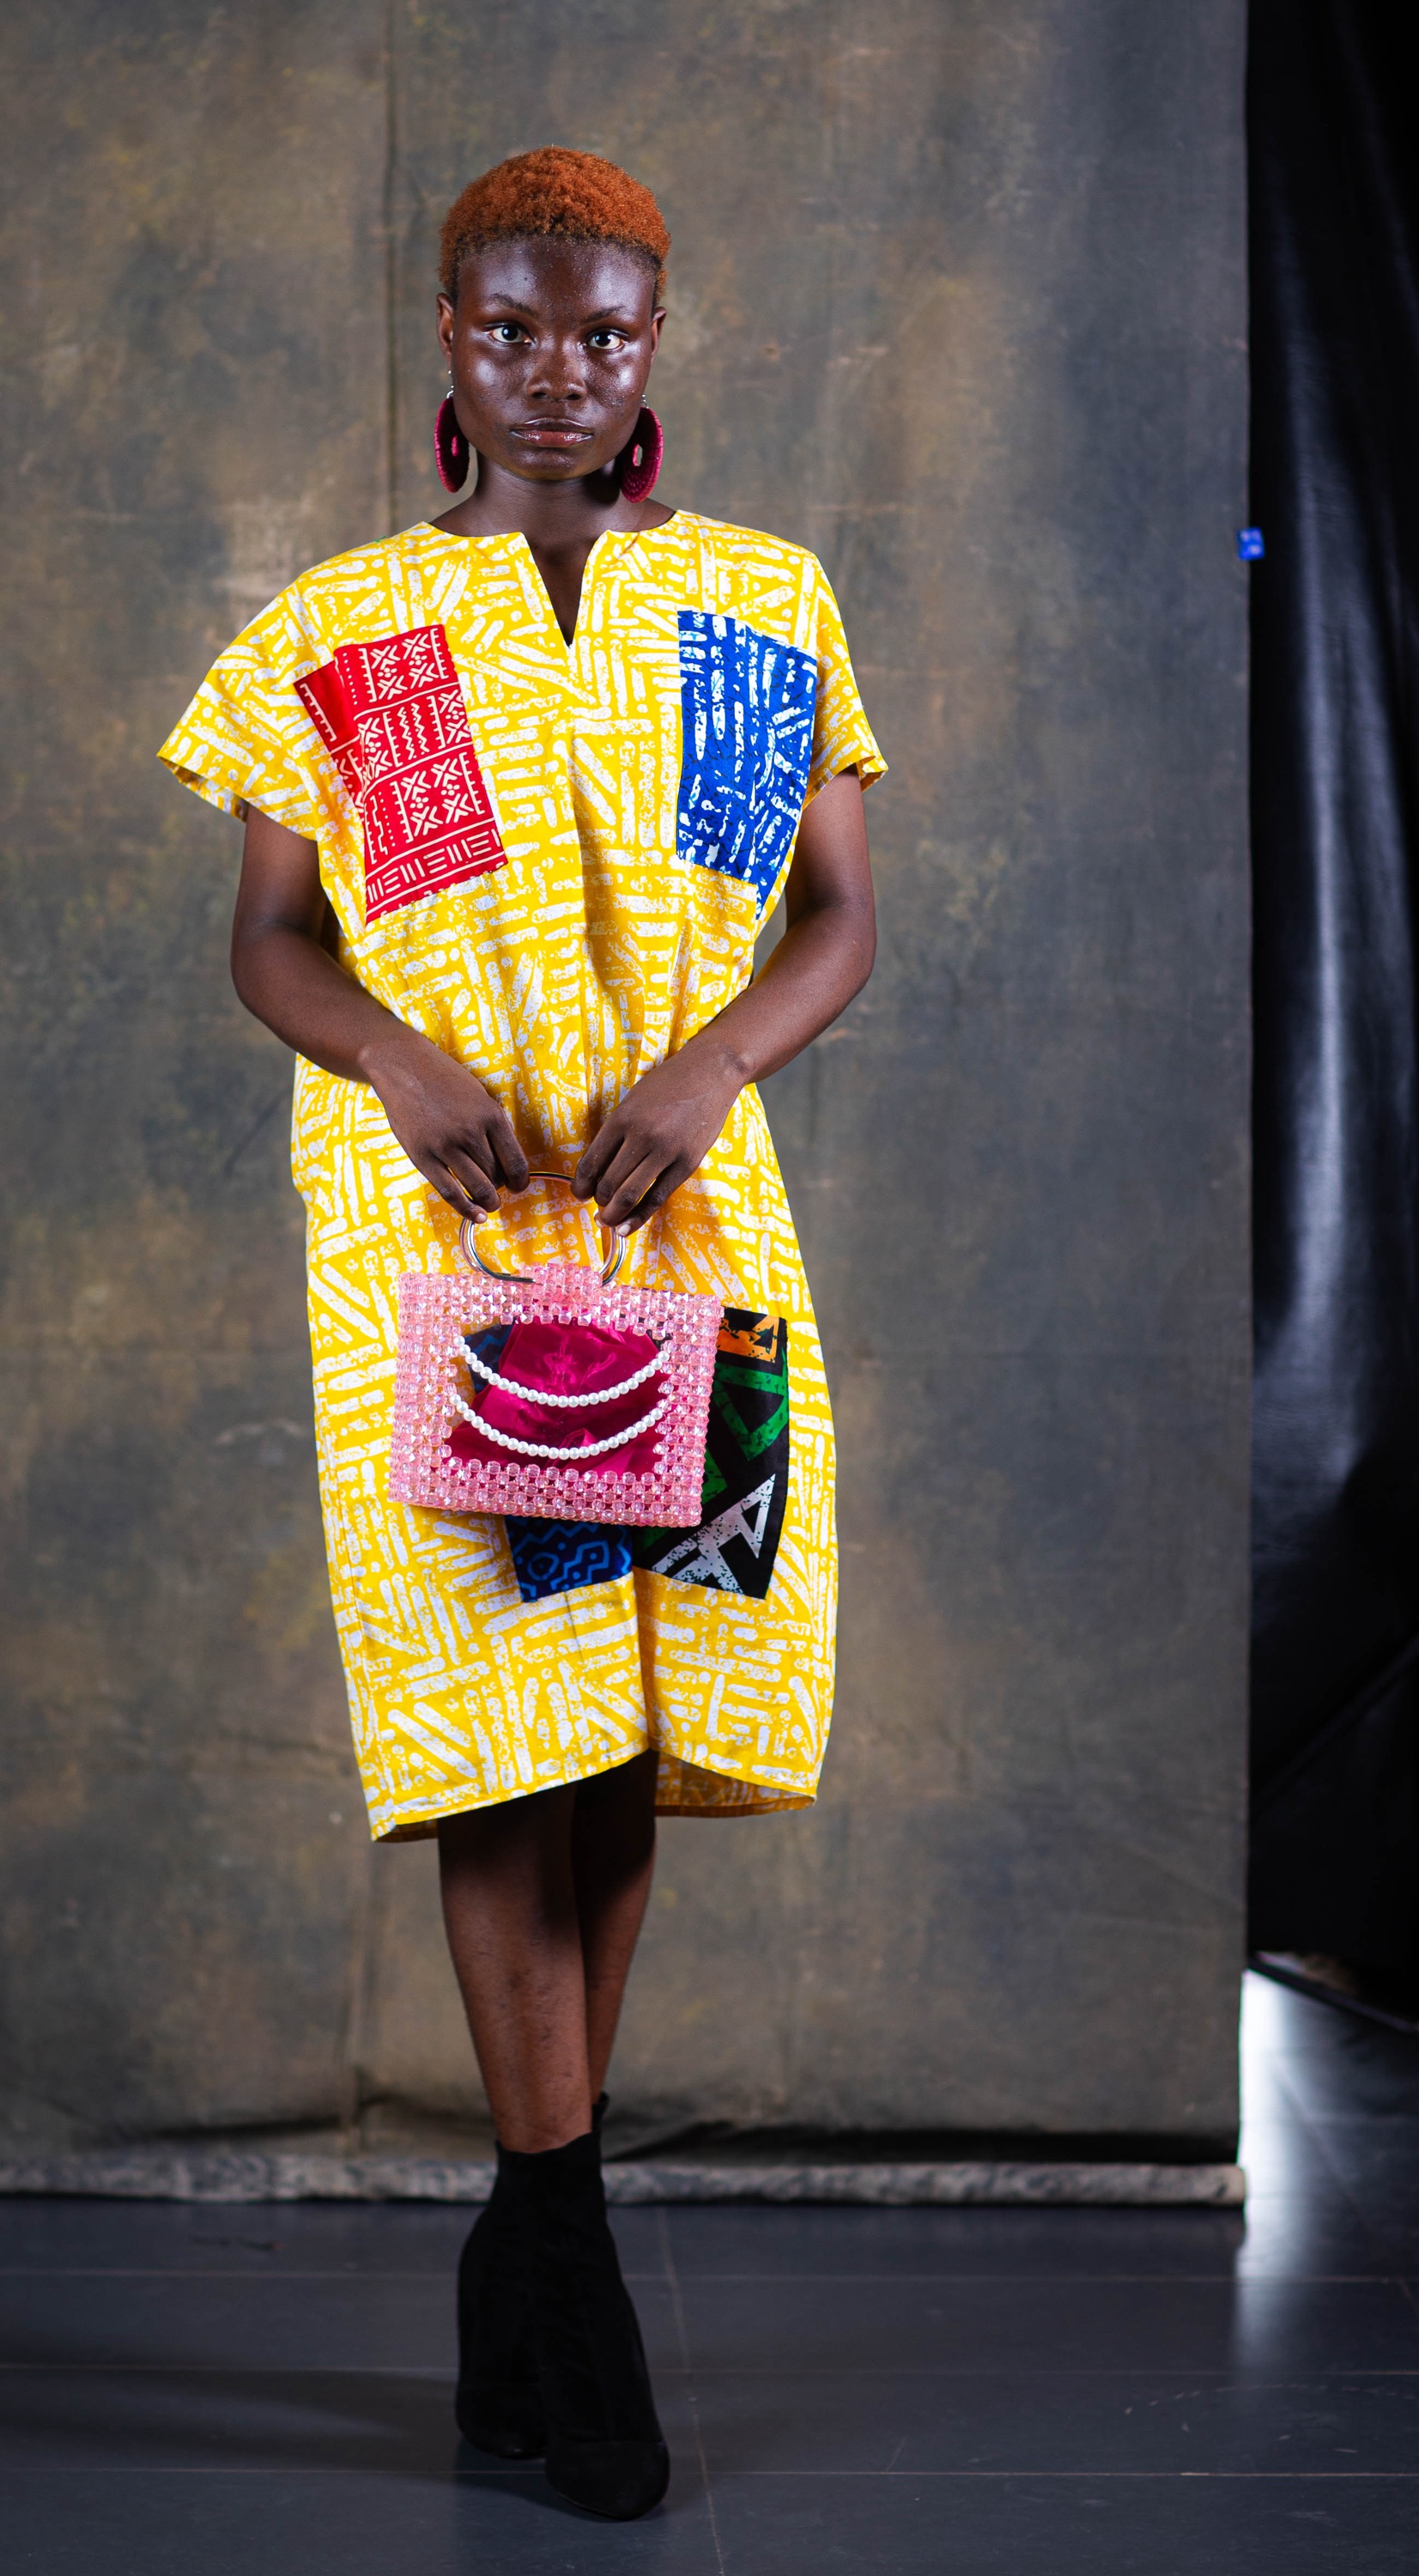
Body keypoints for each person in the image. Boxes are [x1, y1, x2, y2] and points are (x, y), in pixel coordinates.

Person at [159, 146, 882, 2522]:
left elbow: (838, 914)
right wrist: (391, 1054)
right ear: (449, 342)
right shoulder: (346, 633)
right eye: (511, 327)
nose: (557, 367)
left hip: (691, 1226)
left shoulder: (763, 607)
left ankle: (517, 2240)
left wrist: (714, 1066)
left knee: (631, 1728)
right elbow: (273, 938)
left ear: (653, 346)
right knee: (507, 1740)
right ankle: (570, 2259)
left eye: (601, 330)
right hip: (448, 1245)